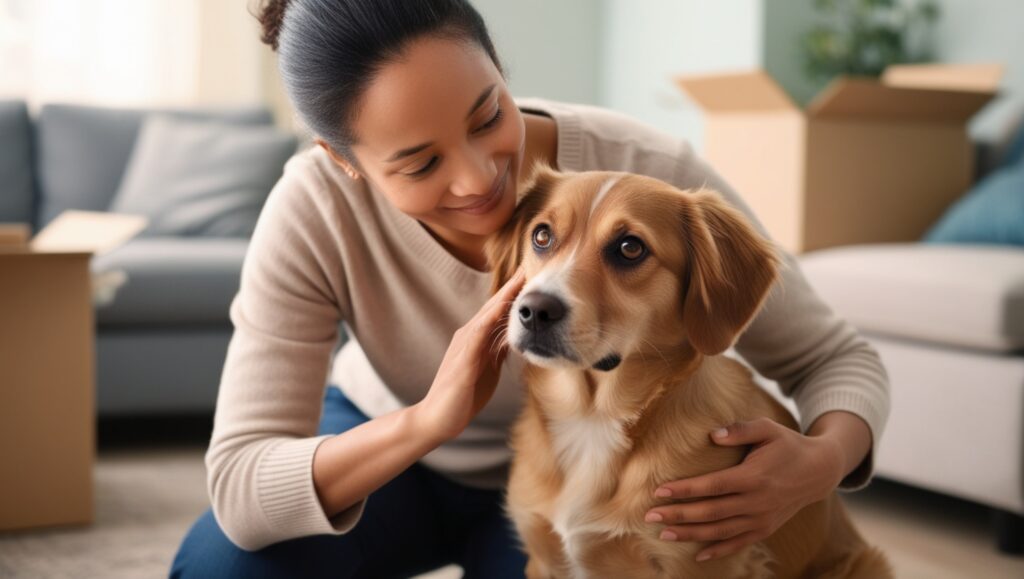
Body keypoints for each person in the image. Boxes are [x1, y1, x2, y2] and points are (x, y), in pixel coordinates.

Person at [169, 0, 890, 577]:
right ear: (344, 161)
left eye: (488, 115)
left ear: (500, 69)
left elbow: (837, 358)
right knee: (220, 567)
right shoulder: (312, 207)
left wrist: (817, 465)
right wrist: (427, 420)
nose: (481, 177)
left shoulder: (649, 169)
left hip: (549, 502)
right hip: (388, 451)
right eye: (420, 163)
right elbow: (241, 483)